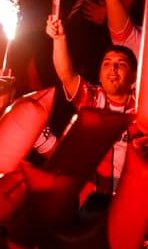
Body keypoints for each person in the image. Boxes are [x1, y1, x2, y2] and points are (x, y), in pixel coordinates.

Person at [46, 13, 136, 192]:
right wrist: (59, 38)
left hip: (131, 197)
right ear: (100, 76)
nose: (113, 68)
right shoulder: (92, 98)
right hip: (92, 200)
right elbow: (66, 74)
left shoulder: (145, 105)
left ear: (134, 76)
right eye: (107, 64)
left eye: (122, 64)